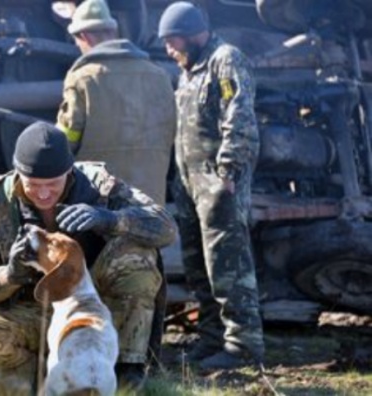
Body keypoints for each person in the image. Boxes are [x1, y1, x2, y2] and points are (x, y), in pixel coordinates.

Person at [0, 121, 175, 392]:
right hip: (28, 315)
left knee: (136, 254)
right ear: (18, 173)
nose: (43, 194)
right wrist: (8, 275)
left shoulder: (99, 186)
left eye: (53, 184)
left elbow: (165, 228)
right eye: (33, 184)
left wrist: (110, 219)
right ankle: (34, 379)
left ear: (69, 171)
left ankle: (126, 373)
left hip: (94, 318)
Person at [158, 2, 264, 370]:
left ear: (189, 34)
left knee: (228, 267)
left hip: (219, 185)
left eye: (172, 41)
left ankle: (242, 346)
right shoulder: (188, 72)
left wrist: (229, 172)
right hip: (190, 187)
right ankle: (211, 337)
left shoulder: (225, 59)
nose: (168, 50)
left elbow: (239, 114)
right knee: (199, 267)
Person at [57, 0, 176, 206]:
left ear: (84, 36)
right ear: (112, 30)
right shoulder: (159, 75)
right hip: (151, 199)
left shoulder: (83, 79)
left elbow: (66, 140)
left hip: (100, 201)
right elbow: (171, 132)